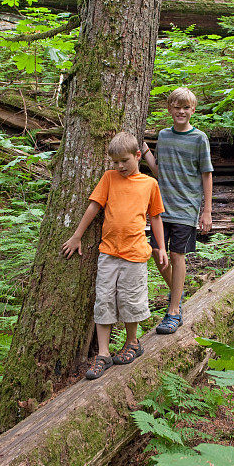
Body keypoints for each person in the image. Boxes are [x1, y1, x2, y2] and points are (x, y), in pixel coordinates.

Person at [62, 132, 168, 380]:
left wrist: (161, 247)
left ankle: (133, 343)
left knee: (131, 299)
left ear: (138, 156)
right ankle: (103, 354)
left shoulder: (150, 184)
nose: (120, 166)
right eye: (116, 162)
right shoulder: (109, 178)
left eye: (125, 161)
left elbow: (155, 217)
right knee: (104, 299)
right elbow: (95, 206)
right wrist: (77, 235)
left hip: (135, 253)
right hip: (109, 252)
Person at [142, 87, 213, 334]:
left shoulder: (199, 138)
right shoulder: (164, 135)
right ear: (169, 109)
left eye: (186, 108)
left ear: (193, 110)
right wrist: (144, 150)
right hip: (161, 207)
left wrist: (207, 211)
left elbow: (206, 175)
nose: (181, 111)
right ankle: (178, 297)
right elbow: (159, 171)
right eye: (176, 107)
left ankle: (173, 311)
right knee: (156, 253)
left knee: (175, 255)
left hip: (186, 207)